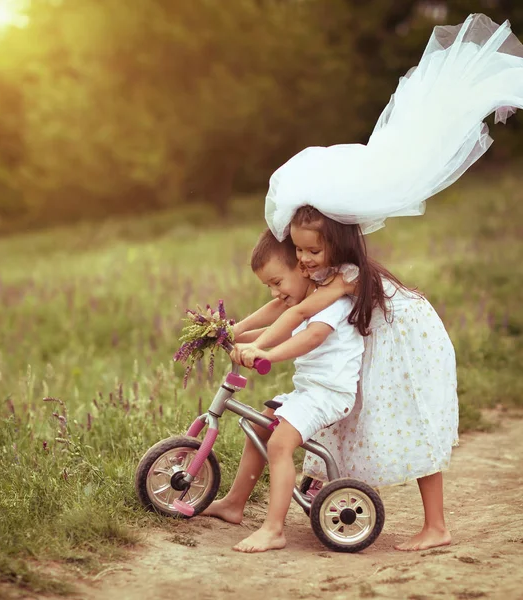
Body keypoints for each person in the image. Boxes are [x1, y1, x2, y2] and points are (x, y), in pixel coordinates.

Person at [235, 13, 523, 551]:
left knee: (407, 421)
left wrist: (257, 347)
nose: (302, 260)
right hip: (377, 340)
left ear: (342, 243)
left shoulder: (345, 279)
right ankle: (325, 489)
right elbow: (283, 304)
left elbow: (298, 316)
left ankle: (436, 525)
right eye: (297, 249)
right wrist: (240, 330)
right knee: (346, 412)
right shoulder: (325, 272)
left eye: (311, 249)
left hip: (407, 341)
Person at [202, 229, 364, 553]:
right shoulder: (303, 298)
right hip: (311, 391)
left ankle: (274, 530)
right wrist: (234, 336)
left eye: (277, 282)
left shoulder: (332, 302)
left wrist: (266, 354)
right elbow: (276, 322)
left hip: (329, 393)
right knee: (261, 428)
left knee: (279, 444)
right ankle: (234, 504)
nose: (275, 292)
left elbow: (310, 338)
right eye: (269, 286)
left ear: (303, 270)